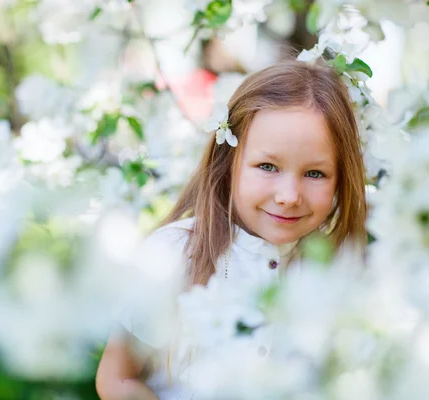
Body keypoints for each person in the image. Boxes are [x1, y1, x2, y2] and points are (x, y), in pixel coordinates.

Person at [95, 59, 367, 400]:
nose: (288, 197)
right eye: (267, 166)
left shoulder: (339, 274)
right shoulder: (173, 256)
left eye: (315, 173)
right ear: (229, 164)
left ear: (341, 178)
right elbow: (117, 379)